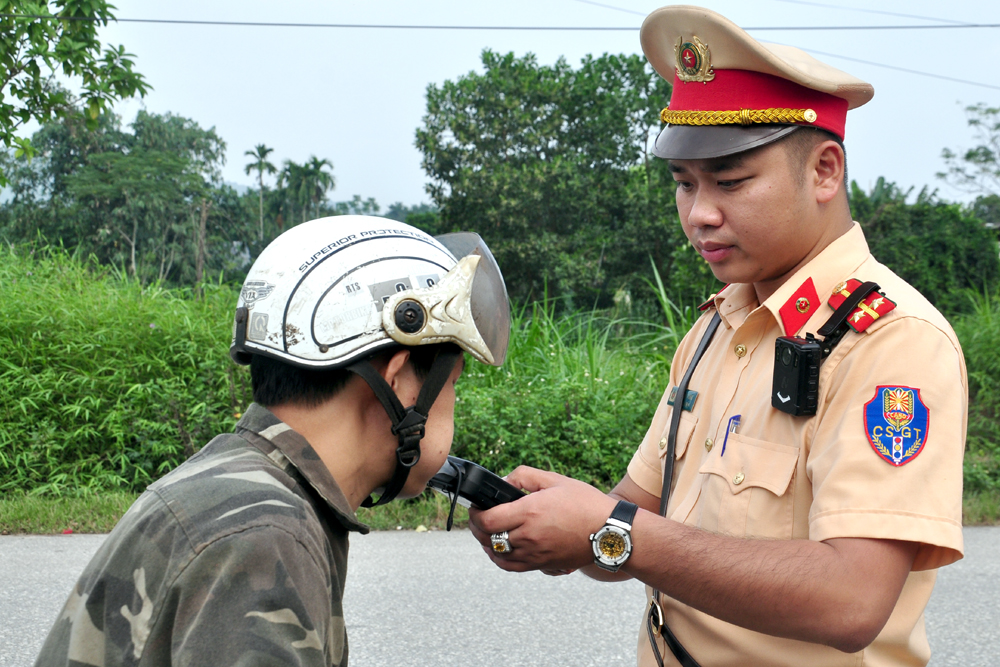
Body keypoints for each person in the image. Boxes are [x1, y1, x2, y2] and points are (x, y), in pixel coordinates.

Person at [469, 6, 966, 667]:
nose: (700, 214)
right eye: (684, 183)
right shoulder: (715, 326)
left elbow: (852, 599)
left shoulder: (890, 341)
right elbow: (637, 524)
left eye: (731, 182)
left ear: (824, 171)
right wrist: (557, 521)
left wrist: (609, 529)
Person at [35, 216, 511, 666]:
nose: (453, 402)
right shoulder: (265, 539)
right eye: (453, 385)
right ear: (403, 379)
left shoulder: (239, 483)